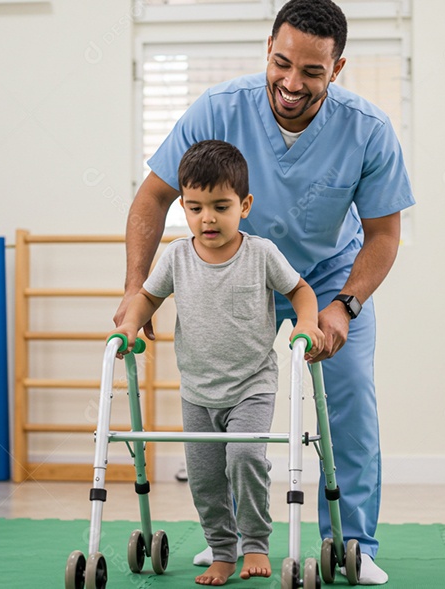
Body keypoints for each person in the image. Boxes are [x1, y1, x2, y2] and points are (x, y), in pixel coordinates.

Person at [113, 0, 414, 585]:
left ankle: (351, 544)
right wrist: (135, 288)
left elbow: (383, 234)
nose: (292, 83)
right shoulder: (218, 108)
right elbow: (152, 197)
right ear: (268, 50)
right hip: (230, 271)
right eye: (282, 63)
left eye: (312, 72)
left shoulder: (368, 129)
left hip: (325, 279)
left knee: (348, 397)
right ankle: (226, 540)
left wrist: (345, 304)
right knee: (220, 404)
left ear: (339, 67)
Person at [116, 140, 324, 586]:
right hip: (197, 389)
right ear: (184, 208)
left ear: (244, 205)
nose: (206, 218)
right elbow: (147, 297)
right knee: (206, 479)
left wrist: (306, 324)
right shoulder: (175, 256)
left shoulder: (261, 253)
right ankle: (222, 550)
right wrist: (131, 325)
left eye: (220, 206)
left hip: (252, 382)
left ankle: (255, 544)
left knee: (245, 456)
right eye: (194, 207)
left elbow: (301, 290)